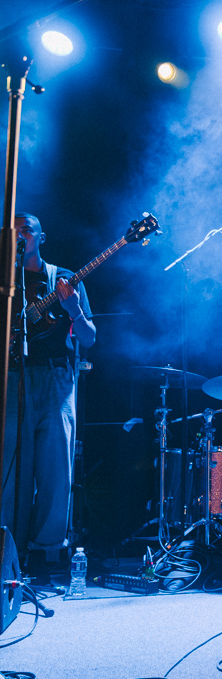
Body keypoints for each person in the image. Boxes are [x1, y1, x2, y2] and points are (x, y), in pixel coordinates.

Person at [1, 214, 95, 579]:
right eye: (15, 230)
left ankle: (47, 554)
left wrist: (73, 310)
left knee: (56, 469)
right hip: (11, 381)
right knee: (11, 471)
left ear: (42, 236)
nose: (21, 234)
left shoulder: (63, 279)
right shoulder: (4, 282)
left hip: (57, 378)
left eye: (27, 229)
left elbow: (88, 338)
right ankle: (8, 550)